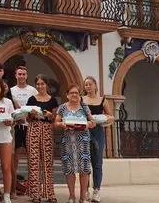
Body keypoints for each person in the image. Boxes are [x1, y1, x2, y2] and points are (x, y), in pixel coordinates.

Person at [55, 84, 96, 203]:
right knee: (69, 169)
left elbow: (92, 122)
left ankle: (83, 196)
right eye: (72, 93)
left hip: (82, 142)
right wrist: (61, 124)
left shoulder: (84, 107)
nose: (74, 95)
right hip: (68, 142)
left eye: (76, 93)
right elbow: (56, 123)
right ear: (67, 95)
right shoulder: (62, 108)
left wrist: (87, 124)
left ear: (80, 95)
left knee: (84, 169)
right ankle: (71, 195)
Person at [25, 75, 59, 203]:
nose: (40, 86)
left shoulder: (53, 100)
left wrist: (51, 115)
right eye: (38, 84)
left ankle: (49, 193)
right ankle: (35, 194)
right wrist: (31, 114)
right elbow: (27, 119)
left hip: (46, 129)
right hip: (33, 127)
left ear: (46, 85)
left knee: (47, 161)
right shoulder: (31, 99)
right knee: (33, 161)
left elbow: (56, 118)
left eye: (42, 84)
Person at [82, 77, 114, 202]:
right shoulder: (82, 100)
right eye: (86, 85)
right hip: (84, 131)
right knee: (85, 161)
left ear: (95, 85)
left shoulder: (102, 100)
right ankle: (86, 190)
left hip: (98, 132)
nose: (88, 87)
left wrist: (109, 118)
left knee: (97, 162)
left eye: (90, 84)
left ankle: (96, 190)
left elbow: (110, 115)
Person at [10, 67, 37, 198]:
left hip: (30, 126)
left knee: (31, 159)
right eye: (19, 74)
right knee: (14, 160)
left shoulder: (32, 90)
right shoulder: (11, 91)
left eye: (24, 74)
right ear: (16, 75)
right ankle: (13, 189)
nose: (21, 76)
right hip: (16, 127)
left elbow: (38, 107)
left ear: (27, 76)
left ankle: (32, 189)